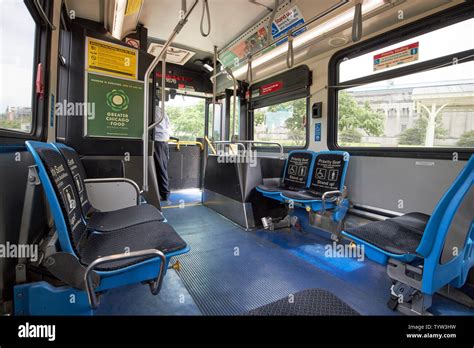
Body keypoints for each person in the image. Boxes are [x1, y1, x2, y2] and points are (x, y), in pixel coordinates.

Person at [153, 103, 171, 202]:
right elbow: (168, 124)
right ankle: (164, 193)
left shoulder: (152, 110)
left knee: (160, 169)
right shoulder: (161, 110)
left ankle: (164, 194)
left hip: (157, 141)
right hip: (163, 142)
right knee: (162, 168)